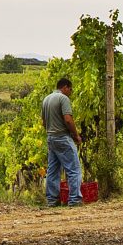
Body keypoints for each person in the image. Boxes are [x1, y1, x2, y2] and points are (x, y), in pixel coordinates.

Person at [40, 76, 83, 206]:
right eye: (70, 89)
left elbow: (44, 122)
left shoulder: (46, 99)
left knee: (53, 170)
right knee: (74, 169)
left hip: (51, 138)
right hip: (62, 137)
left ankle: (52, 200)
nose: (70, 92)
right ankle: (74, 199)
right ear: (65, 87)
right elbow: (68, 119)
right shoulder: (63, 99)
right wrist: (76, 136)